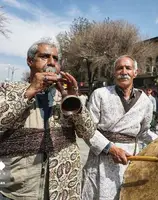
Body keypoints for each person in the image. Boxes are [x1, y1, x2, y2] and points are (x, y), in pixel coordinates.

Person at [0, 38, 96, 200]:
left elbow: (89, 132)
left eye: (56, 58)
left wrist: (73, 99)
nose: (51, 62)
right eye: (44, 57)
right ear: (30, 61)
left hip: (62, 185)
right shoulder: (8, 89)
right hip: (19, 188)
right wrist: (30, 91)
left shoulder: (66, 95)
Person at [81, 55, 154, 200]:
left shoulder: (146, 101)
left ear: (135, 72)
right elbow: (88, 130)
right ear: (114, 72)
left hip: (129, 161)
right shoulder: (100, 94)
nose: (124, 71)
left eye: (128, 68)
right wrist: (111, 149)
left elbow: (144, 133)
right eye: (119, 68)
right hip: (101, 159)